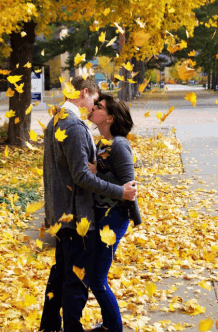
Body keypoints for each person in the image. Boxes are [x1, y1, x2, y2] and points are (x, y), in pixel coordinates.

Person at [39, 76, 137, 332]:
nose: (93, 108)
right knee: (76, 280)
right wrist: (121, 191)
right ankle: (71, 328)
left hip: (60, 213)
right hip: (76, 218)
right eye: (94, 101)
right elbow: (82, 177)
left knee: (62, 272)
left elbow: (60, 172)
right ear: (85, 92)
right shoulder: (74, 126)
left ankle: (49, 325)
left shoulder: (56, 120)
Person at [86, 93, 142, 332]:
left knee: (97, 280)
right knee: (96, 277)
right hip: (103, 215)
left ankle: (114, 328)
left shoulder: (119, 144)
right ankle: (109, 324)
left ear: (108, 117)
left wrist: (96, 174)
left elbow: (130, 187)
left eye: (98, 106)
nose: (93, 108)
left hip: (115, 217)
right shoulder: (102, 143)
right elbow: (107, 175)